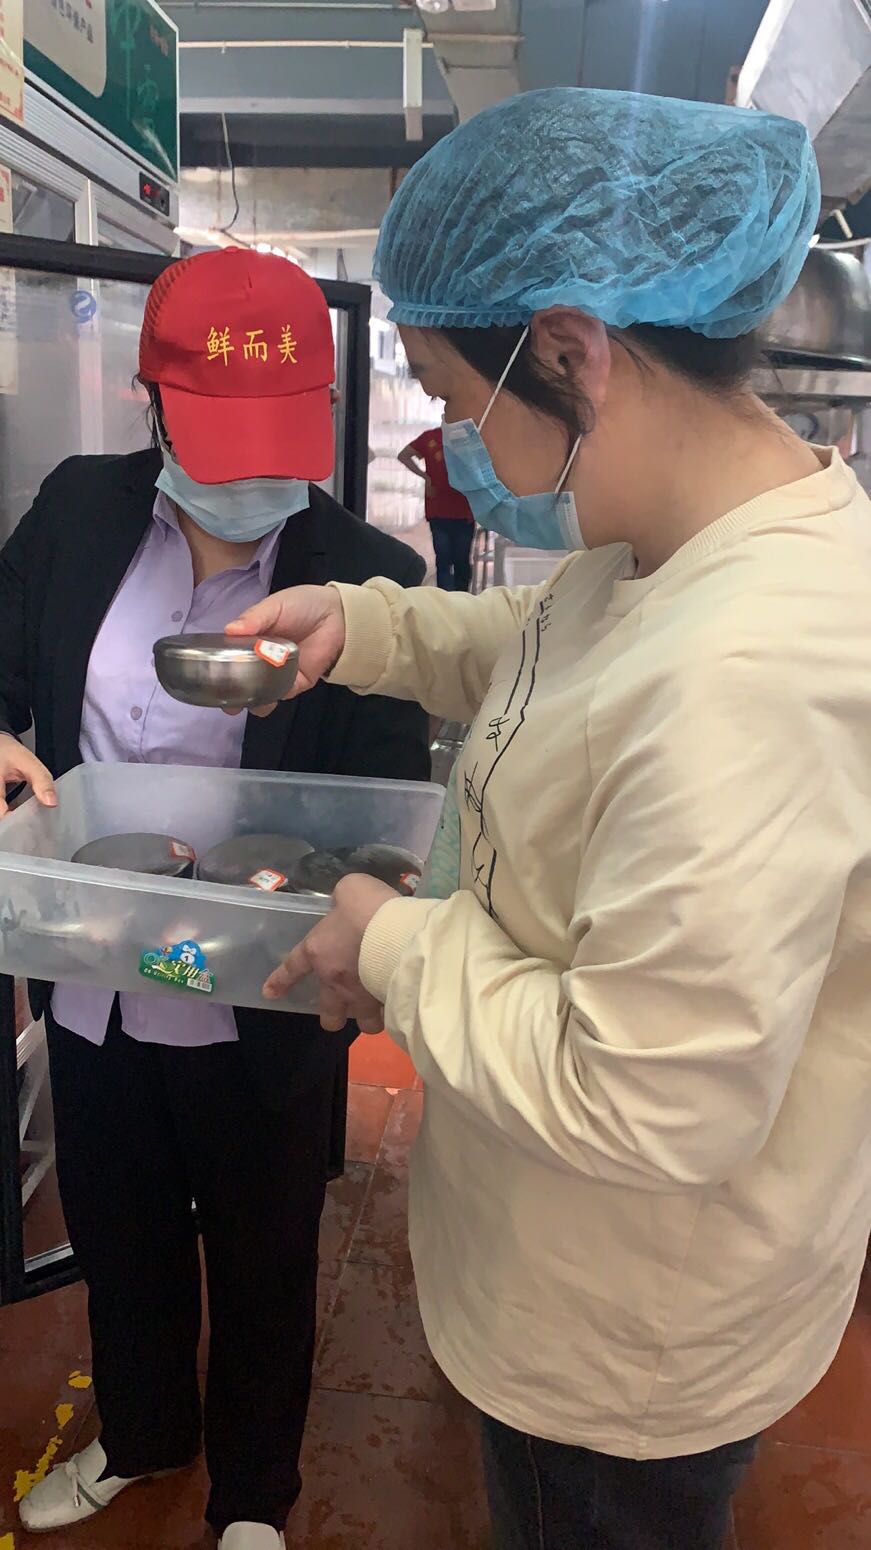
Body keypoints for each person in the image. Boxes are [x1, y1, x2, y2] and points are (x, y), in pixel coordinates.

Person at [226, 90, 871, 1550]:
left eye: (455, 399)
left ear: (572, 353)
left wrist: (390, 941)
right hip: (564, 1248)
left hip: (624, 1330)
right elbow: (550, 646)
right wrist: (364, 622)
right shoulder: (681, 544)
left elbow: (644, 1095)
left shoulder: (747, 675)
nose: (451, 439)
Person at [0, 248, 429, 1550]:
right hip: (97, 970)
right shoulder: (78, 512)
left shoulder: (367, 576)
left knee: (262, 1248)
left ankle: (253, 1492)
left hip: (261, 986)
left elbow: (382, 809)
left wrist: (333, 893)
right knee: (119, 1228)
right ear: (155, 405)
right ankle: (143, 1434)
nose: (246, 484)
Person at [398, 424, 475, 590]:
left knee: (459, 561)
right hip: (439, 511)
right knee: (445, 560)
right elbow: (403, 455)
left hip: (463, 510)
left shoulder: (469, 439)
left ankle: (461, 598)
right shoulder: (430, 438)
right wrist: (425, 477)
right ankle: (446, 599)